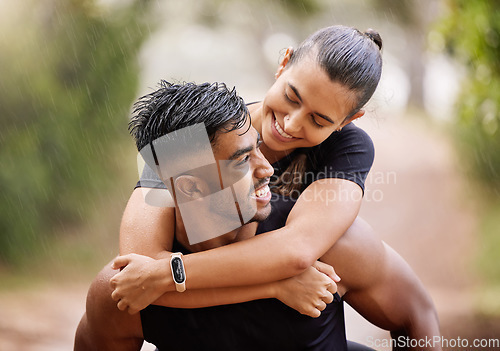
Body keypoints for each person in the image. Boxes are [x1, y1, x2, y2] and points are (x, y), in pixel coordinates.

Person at [75, 80, 341, 350]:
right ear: (190, 187)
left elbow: (388, 308)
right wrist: (275, 286)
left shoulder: (329, 249)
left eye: (257, 148)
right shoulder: (127, 289)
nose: (267, 169)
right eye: (241, 161)